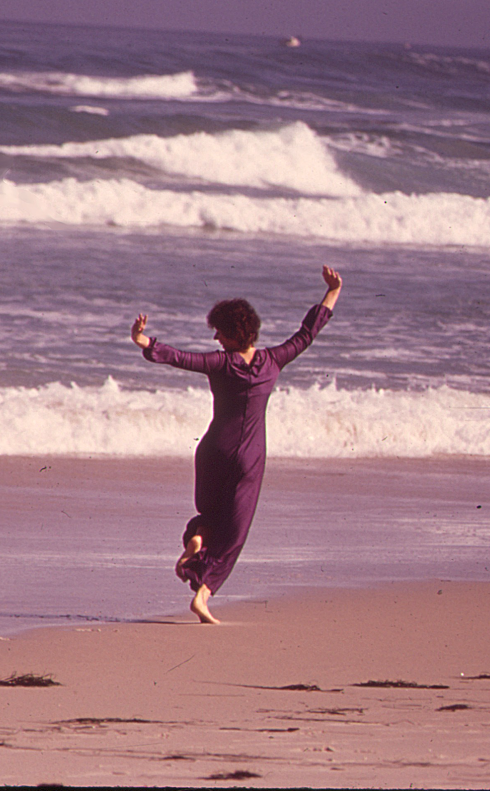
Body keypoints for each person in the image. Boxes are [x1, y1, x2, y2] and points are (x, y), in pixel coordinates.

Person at [131, 266, 342, 623]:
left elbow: (182, 358)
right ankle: (203, 594)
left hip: (213, 451)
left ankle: (196, 542)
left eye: (219, 333)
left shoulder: (219, 364)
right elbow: (307, 334)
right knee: (235, 531)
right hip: (249, 457)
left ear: (232, 334)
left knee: (210, 517)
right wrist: (333, 292)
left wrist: (144, 342)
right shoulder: (274, 361)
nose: (216, 340)